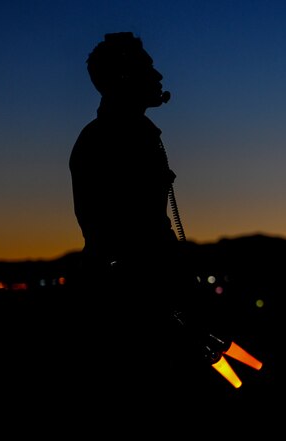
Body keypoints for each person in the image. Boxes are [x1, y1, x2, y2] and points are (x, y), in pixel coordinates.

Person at [68, 32, 222, 408]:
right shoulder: (112, 138)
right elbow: (126, 238)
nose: (158, 76)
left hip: (145, 299)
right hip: (135, 309)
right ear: (124, 78)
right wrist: (169, 306)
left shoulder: (128, 133)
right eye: (147, 67)